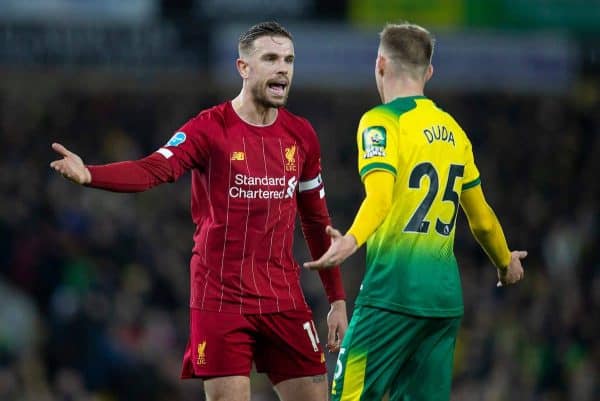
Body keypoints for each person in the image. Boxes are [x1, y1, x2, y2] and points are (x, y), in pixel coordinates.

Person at [50, 21, 348, 401]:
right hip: (220, 297)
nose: (282, 68)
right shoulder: (210, 128)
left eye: (289, 59)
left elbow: (317, 221)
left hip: (282, 295)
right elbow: (154, 168)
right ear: (243, 68)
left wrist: (336, 299)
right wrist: (91, 173)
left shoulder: (301, 135)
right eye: (270, 58)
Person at [304, 23, 527, 401]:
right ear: (429, 73)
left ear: (379, 65)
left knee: (347, 395)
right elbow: (482, 219)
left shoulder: (381, 122)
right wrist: (505, 261)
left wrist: (352, 240)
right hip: (443, 304)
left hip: (392, 295)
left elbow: (380, 197)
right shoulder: (455, 132)